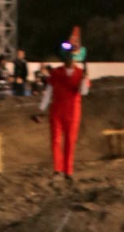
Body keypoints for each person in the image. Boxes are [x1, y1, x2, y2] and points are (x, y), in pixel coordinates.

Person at [37, 41, 90, 180]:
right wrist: (41, 109)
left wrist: (84, 79)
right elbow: (48, 92)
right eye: (67, 56)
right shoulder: (56, 73)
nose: (69, 59)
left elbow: (83, 92)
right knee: (55, 141)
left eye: (71, 57)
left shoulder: (80, 73)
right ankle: (58, 170)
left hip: (73, 112)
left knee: (70, 142)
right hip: (57, 111)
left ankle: (68, 171)